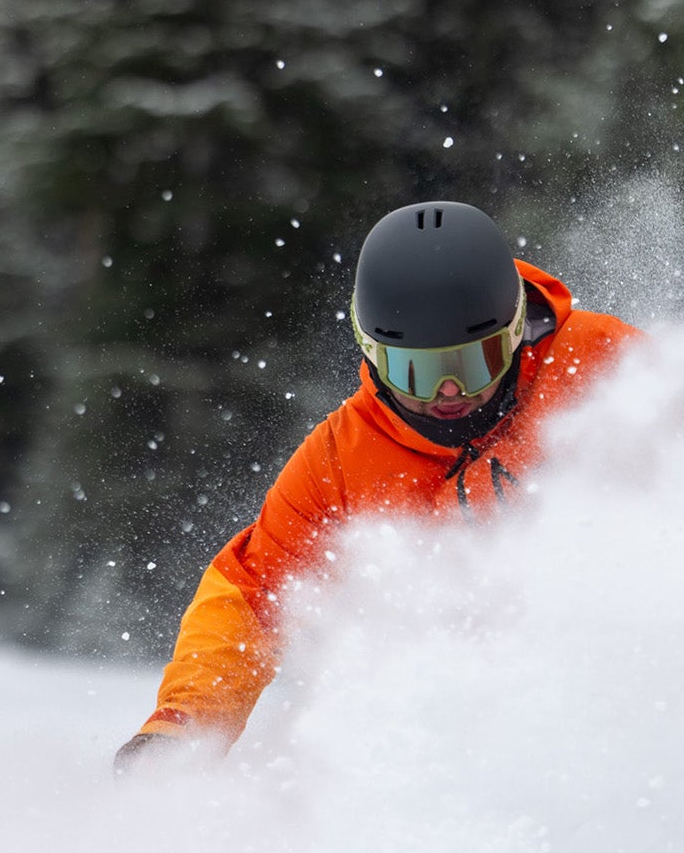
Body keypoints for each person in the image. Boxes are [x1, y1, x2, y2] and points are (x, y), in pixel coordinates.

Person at [113, 200, 650, 775]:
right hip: (462, 711)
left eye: (476, 362)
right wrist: (184, 725)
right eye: (415, 371)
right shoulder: (341, 461)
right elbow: (253, 593)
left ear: (517, 332)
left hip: (617, 665)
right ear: (372, 352)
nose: (448, 392)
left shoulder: (592, 359)